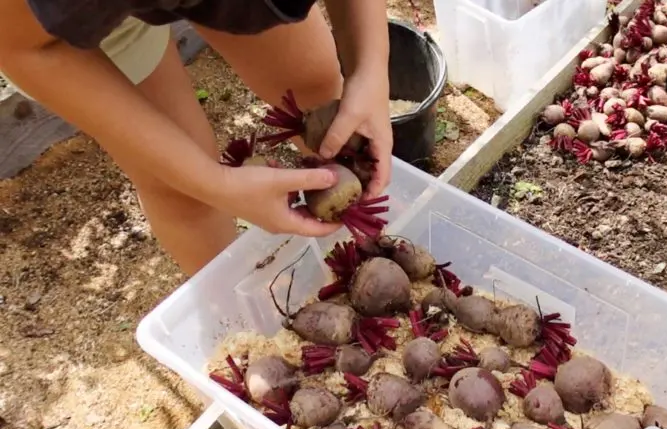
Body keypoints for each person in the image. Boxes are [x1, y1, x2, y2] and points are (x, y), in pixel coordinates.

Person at [0, 0, 393, 275]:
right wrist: (214, 183)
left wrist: (369, 66)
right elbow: (22, 47)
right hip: (46, 28)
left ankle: (366, 254)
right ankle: (241, 325)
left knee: (317, 86)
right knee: (184, 189)